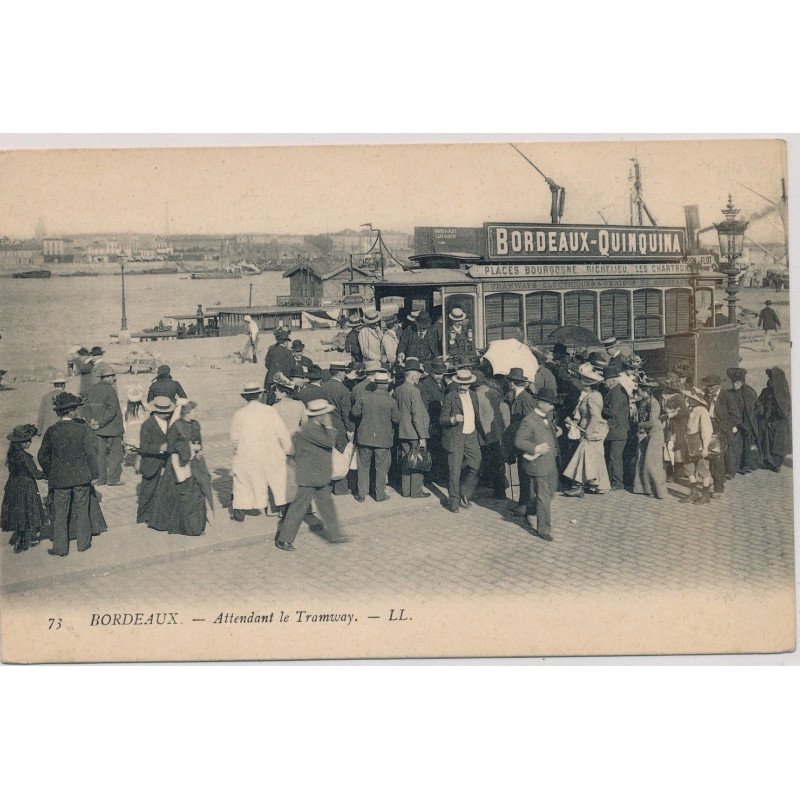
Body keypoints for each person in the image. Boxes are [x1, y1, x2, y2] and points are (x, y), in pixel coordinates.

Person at [275, 398, 350, 551]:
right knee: (298, 509)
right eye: (326, 414)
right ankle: (284, 539)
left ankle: (335, 535)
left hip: (319, 475)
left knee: (327, 506)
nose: (329, 416)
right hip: (308, 476)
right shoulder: (309, 429)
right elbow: (329, 442)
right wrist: (329, 426)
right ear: (320, 415)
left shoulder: (315, 427)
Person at [38, 392, 107, 556]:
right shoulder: (82, 427)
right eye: (75, 409)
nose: (77, 411)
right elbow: (91, 452)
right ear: (70, 411)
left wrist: (50, 472)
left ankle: (60, 548)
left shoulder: (52, 430)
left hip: (60, 479)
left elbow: (42, 456)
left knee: (60, 513)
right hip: (81, 477)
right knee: (82, 510)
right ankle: (83, 544)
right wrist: (94, 474)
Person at [229, 383, 293, 522]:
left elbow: (234, 437)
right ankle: (283, 509)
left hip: (248, 454)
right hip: (271, 452)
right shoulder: (269, 411)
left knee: (242, 482)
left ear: (245, 397)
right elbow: (282, 431)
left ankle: (239, 513)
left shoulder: (239, 414)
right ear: (259, 395)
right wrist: (287, 448)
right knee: (277, 481)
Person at [146, 399, 210, 536]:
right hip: (178, 464)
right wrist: (188, 447)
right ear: (186, 412)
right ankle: (185, 526)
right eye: (194, 411)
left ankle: (196, 525)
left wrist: (199, 449)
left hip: (194, 463)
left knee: (197, 494)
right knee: (181, 494)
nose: (196, 413)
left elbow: (198, 441)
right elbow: (170, 446)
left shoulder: (196, 424)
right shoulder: (176, 426)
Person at [514, 385, 561, 542]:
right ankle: (544, 529)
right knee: (544, 497)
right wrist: (535, 447)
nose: (551, 405)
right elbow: (519, 441)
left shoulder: (547, 417)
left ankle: (530, 507)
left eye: (552, 403)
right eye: (548, 403)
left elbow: (548, 432)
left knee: (551, 492)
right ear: (539, 402)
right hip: (538, 464)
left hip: (550, 463)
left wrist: (556, 431)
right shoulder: (529, 420)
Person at [562, 363, 610, 497]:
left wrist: (588, 432)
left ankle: (578, 486)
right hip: (586, 429)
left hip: (591, 431)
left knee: (583, 456)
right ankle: (596, 485)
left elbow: (595, 417)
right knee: (594, 458)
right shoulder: (589, 395)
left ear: (587, 383)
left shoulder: (593, 396)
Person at [351, 371, 399, 502]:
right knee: (381, 468)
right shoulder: (391, 401)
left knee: (363, 466)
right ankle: (380, 494)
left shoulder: (364, 397)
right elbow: (397, 419)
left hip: (364, 437)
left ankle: (361, 494)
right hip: (383, 439)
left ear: (375, 384)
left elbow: (355, 413)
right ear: (387, 385)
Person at [440, 368, 482, 514]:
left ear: (470, 384)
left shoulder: (474, 396)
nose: (463, 387)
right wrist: (453, 419)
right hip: (456, 436)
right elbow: (442, 419)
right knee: (454, 471)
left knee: (476, 465)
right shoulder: (451, 397)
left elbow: (477, 416)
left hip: (471, 435)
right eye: (461, 385)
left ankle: (464, 492)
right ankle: (454, 502)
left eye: (466, 385)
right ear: (457, 383)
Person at [2, 423, 46, 554]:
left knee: (18, 512)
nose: (30, 442)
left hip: (13, 485)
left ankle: (20, 539)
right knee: (27, 511)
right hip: (26, 486)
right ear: (22, 443)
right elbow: (36, 474)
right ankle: (23, 541)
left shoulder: (12, 454)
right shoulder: (25, 457)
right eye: (28, 440)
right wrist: (47, 474)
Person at [394, 357, 431, 499]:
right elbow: (416, 416)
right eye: (419, 375)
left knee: (405, 461)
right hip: (415, 433)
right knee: (417, 461)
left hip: (402, 432)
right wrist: (422, 436)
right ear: (413, 375)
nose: (419, 378)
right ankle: (416, 492)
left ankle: (406, 490)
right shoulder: (414, 391)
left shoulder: (398, 389)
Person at [83, 363, 124, 486]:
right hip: (112, 429)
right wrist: (101, 423)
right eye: (112, 376)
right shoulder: (110, 390)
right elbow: (112, 410)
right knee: (115, 454)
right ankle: (113, 479)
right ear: (106, 378)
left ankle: (101, 479)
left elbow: (85, 408)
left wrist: (91, 421)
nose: (114, 379)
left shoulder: (90, 389)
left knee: (100, 455)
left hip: (97, 429)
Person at [136, 395, 173, 524]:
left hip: (166, 463)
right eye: (165, 412)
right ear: (157, 411)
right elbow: (143, 447)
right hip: (151, 464)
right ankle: (141, 519)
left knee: (163, 492)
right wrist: (160, 448)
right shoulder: (148, 424)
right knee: (147, 493)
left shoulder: (170, 422)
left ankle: (157, 518)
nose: (168, 414)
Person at [472, 368, 508, 500]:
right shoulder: (494, 392)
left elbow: (477, 418)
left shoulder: (475, 396)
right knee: (498, 462)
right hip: (497, 432)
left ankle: (492, 486)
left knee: (487, 460)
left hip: (483, 434)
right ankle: (500, 488)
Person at [322, 361, 355, 496]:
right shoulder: (343, 389)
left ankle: (327, 487)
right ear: (340, 372)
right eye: (344, 372)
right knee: (341, 458)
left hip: (326, 427)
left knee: (329, 457)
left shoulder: (323, 387)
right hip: (340, 429)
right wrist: (350, 430)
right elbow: (345, 413)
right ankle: (341, 489)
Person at [631, 377, 668, 499]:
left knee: (652, 463)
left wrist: (638, 425)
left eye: (639, 390)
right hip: (646, 434)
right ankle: (646, 489)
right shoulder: (643, 401)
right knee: (642, 460)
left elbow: (652, 422)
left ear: (645, 390)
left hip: (655, 434)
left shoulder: (654, 403)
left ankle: (659, 491)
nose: (638, 392)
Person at [506, 367, 537, 510]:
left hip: (526, 442)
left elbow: (531, 421)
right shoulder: (518, 397)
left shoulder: (525, 398)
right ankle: (522, 503)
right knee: (521, 472)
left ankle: (526, 504)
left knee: (525, 474)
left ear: (512, 383)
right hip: (520, 441)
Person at [722, 367, 761, 478]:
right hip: (736, 423)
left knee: (747, 444)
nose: (735, 384)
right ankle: (733, 467)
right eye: (733, 382)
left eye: (737, 382)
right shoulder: (730, 393)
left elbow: (759, 406)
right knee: (735, 444)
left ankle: (746, 465)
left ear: (742, 382)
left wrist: (753, 415)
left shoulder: (750, 393)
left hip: (747, 423)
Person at [678, 388, 714, 504]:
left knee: (703, 468)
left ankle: (705, 495)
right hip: (690, 442)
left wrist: (705, 447)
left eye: (689, 398)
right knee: (688, 467)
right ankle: (693, 492)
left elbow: (706, 430)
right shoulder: (692, 410)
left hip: (698, 442)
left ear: (695, 400)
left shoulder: (702, 411)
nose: (686, 399)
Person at [601, 363, 631, 491]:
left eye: (606, 381)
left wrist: (598, 408)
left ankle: (618, 483)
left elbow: (612, 411)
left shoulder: (617, 393)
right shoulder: (614, 390)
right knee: (613, 457)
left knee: (615, 457)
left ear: (612, 380)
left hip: (617, 430)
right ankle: (613, 480)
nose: (605, 383)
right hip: (615, 430)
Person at [702, 374, 731, 498]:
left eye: (711, 386)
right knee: (709, 458)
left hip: (721, 431)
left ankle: (719, 488)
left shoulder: (727, 397)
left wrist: (722, 429)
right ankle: (713, 480)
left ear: (718, 386)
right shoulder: (706, 395)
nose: (708, 389)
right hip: (708, 428)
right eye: (707, 386)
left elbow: (736, 417)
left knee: (718, 459)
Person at [758, 367, 792, 472]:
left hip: (780, 422)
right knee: (767, 439)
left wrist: (773, 419)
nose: (769, 381)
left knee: (778, 443)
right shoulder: (767, 391)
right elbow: (760, 403)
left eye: (771, 378)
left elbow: (784, 411)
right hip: (769, 421)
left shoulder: (782, 394)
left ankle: (775, 464)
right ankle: (768, 460)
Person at [263, 327, 295, 401]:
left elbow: (267, 364)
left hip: (271, 380)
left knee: (271, 399)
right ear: (285, 342)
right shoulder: (288, 352)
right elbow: (292, 367)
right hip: (284, 380)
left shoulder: (271, 350)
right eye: (287, 342)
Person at [122, 384, 148, 471]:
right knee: (140, 447)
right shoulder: (143, 407)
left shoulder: (126, 408)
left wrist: (125, 432)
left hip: (131, 430)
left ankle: (135, 460)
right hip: (140, 428)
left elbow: (124, 422)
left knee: (133, 447)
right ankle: (139, 463)